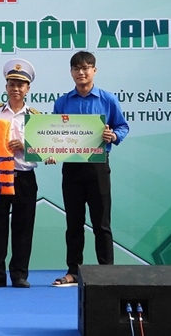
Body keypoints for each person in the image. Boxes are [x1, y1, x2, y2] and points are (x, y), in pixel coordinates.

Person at [50, 51, 129, 287]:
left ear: (94, 70)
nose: (81, 72)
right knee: (73, 223)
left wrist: (112, 135)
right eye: (76, 68)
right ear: (71, 72)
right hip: (72, 169)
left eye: (86, 68)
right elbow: (54, 133)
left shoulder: (107, 99)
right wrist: (50, 151)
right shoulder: (62, 101)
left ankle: (107, 272)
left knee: (101, 223)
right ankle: (73, 272)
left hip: (98, 167)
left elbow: (122, 126)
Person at [0, 58, 41, 289]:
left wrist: (26, 145)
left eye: (21, 84)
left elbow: (44, 152)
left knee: (24, 227)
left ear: (28, 89)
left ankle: (19, 275)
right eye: (12, 84)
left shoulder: (36, 117)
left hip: (24, 177)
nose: (16, 88)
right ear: (6, 87)